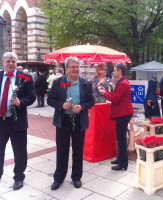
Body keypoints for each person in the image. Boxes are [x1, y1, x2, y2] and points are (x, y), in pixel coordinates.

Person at [47, 57, 95, 190]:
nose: (76, 69)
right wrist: (61, 105)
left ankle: (76, 177)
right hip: (63, 121)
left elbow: (91, 101)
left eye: (77, 66)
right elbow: (50, 100)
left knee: (78, 150)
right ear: (66, 68)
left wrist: (82, 107)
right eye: (73, 66)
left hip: (79, 120)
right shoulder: (58, 82)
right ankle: (59, 178)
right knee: (62, 150)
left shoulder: (85, 83)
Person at [0, 52, 36, 190]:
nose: (11, 64)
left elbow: (32, 96)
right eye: (8, 61)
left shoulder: (25, 78)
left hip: (17, 120)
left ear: (16, 63)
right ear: (3, 62)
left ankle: (19, 176)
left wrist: (21, 101)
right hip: (1, 121)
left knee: (20, 151)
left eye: (13, 61)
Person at [99, 63, 134, 171]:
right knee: (120, 138)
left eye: (114, 70)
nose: (113, 72)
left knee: (121, 139)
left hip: (123, 114)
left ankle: (123, 163)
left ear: (119, 71)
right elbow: (115, 95)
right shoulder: (122, 82)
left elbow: (115, 99)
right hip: (123, 113)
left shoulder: (123, 83)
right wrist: (106, 91)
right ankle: (120, 159)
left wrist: (104, 93)